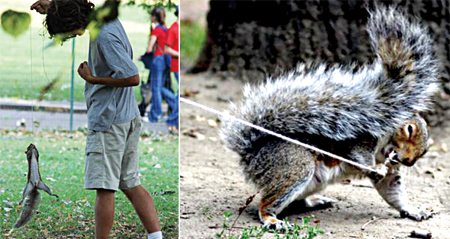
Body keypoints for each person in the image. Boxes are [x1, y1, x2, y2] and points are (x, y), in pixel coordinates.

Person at [30, 1, 163, 238]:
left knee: (104, 188)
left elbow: (132, 77)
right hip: (127, 116)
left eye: (67, 32)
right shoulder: (105, 17)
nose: (69, 37)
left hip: (109, 121)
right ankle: (156, 236)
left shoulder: (103, 37)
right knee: (131, 183)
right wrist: (52, 6)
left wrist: (92, 79)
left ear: (74, 25)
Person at [146, 8, 178, 134]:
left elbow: (149, 49)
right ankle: (174, 103)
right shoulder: (165, 29)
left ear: (154, 17)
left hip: (157, 60)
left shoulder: (157, 30)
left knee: (156, 88)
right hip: (165, 61)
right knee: (160, 87)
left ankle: (157, 114)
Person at [164, 6, 179, 134]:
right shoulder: (173, 29)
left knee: (178, 97)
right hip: (176, 66)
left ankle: (173, 123)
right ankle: (171, 121)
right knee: (179, 98)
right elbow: (167, 49)